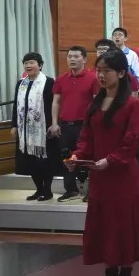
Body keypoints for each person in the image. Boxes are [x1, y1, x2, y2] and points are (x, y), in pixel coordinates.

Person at [66, 49, 139, 276]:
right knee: (104, 225)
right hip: (100, 175)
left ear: (121, 73)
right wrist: (77, 156)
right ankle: (110, 275)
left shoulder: (131, 104)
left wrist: (110, 160)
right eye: (99, 70)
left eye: (107, 71)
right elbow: (86, 137)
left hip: (122, 174)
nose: (101, 75)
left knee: (123, 224)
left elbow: (132, 140)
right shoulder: (94, 104)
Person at [51, 46, 99, 202]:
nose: (72, 59)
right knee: (67, 157)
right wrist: (54, 123)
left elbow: (96, 102)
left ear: (84, 59)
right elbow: (56, 102)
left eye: (76, 56)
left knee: (89, 157)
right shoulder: (61, 79)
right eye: (70, 56)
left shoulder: (93, 78)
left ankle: (92, 190)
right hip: (65, 124)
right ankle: (71, 190)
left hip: (85, 126)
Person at [12, 52, 57, 201]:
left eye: (32, 62)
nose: (28, 65)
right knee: (30, 161)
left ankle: (47, 190)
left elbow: (54, 105)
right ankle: (39, 189)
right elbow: (16, 106)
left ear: (40, 65)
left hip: (43, 129)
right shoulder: (21, 83)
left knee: (44, 161)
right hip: (25, 130)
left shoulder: (48, 82)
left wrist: (53, 124)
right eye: (26, 63)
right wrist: (14, 125)